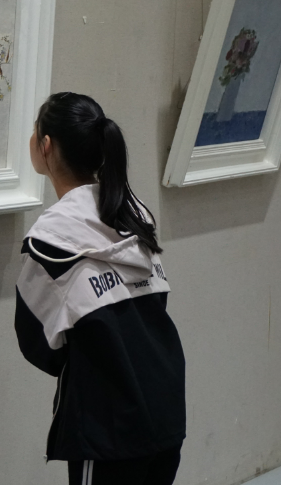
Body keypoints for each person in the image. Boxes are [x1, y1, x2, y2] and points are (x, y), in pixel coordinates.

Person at [14, 92, 186, 485]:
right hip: (165, 407)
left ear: (45, 146)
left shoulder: (49, 240)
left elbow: (38, 343)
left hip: (110, 427)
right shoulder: (133, 215)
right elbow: (155, 305)